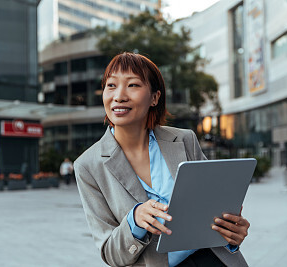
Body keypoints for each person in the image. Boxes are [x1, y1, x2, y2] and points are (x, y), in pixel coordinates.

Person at [74, 52, 250, 267]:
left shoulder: (185, 140)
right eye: (111, 85)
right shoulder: (88, 166)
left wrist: (232, 233)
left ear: (155, 98)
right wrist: (134, 220)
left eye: (133, 85)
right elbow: (111, 254)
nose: (119, 96)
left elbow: (214, 211)